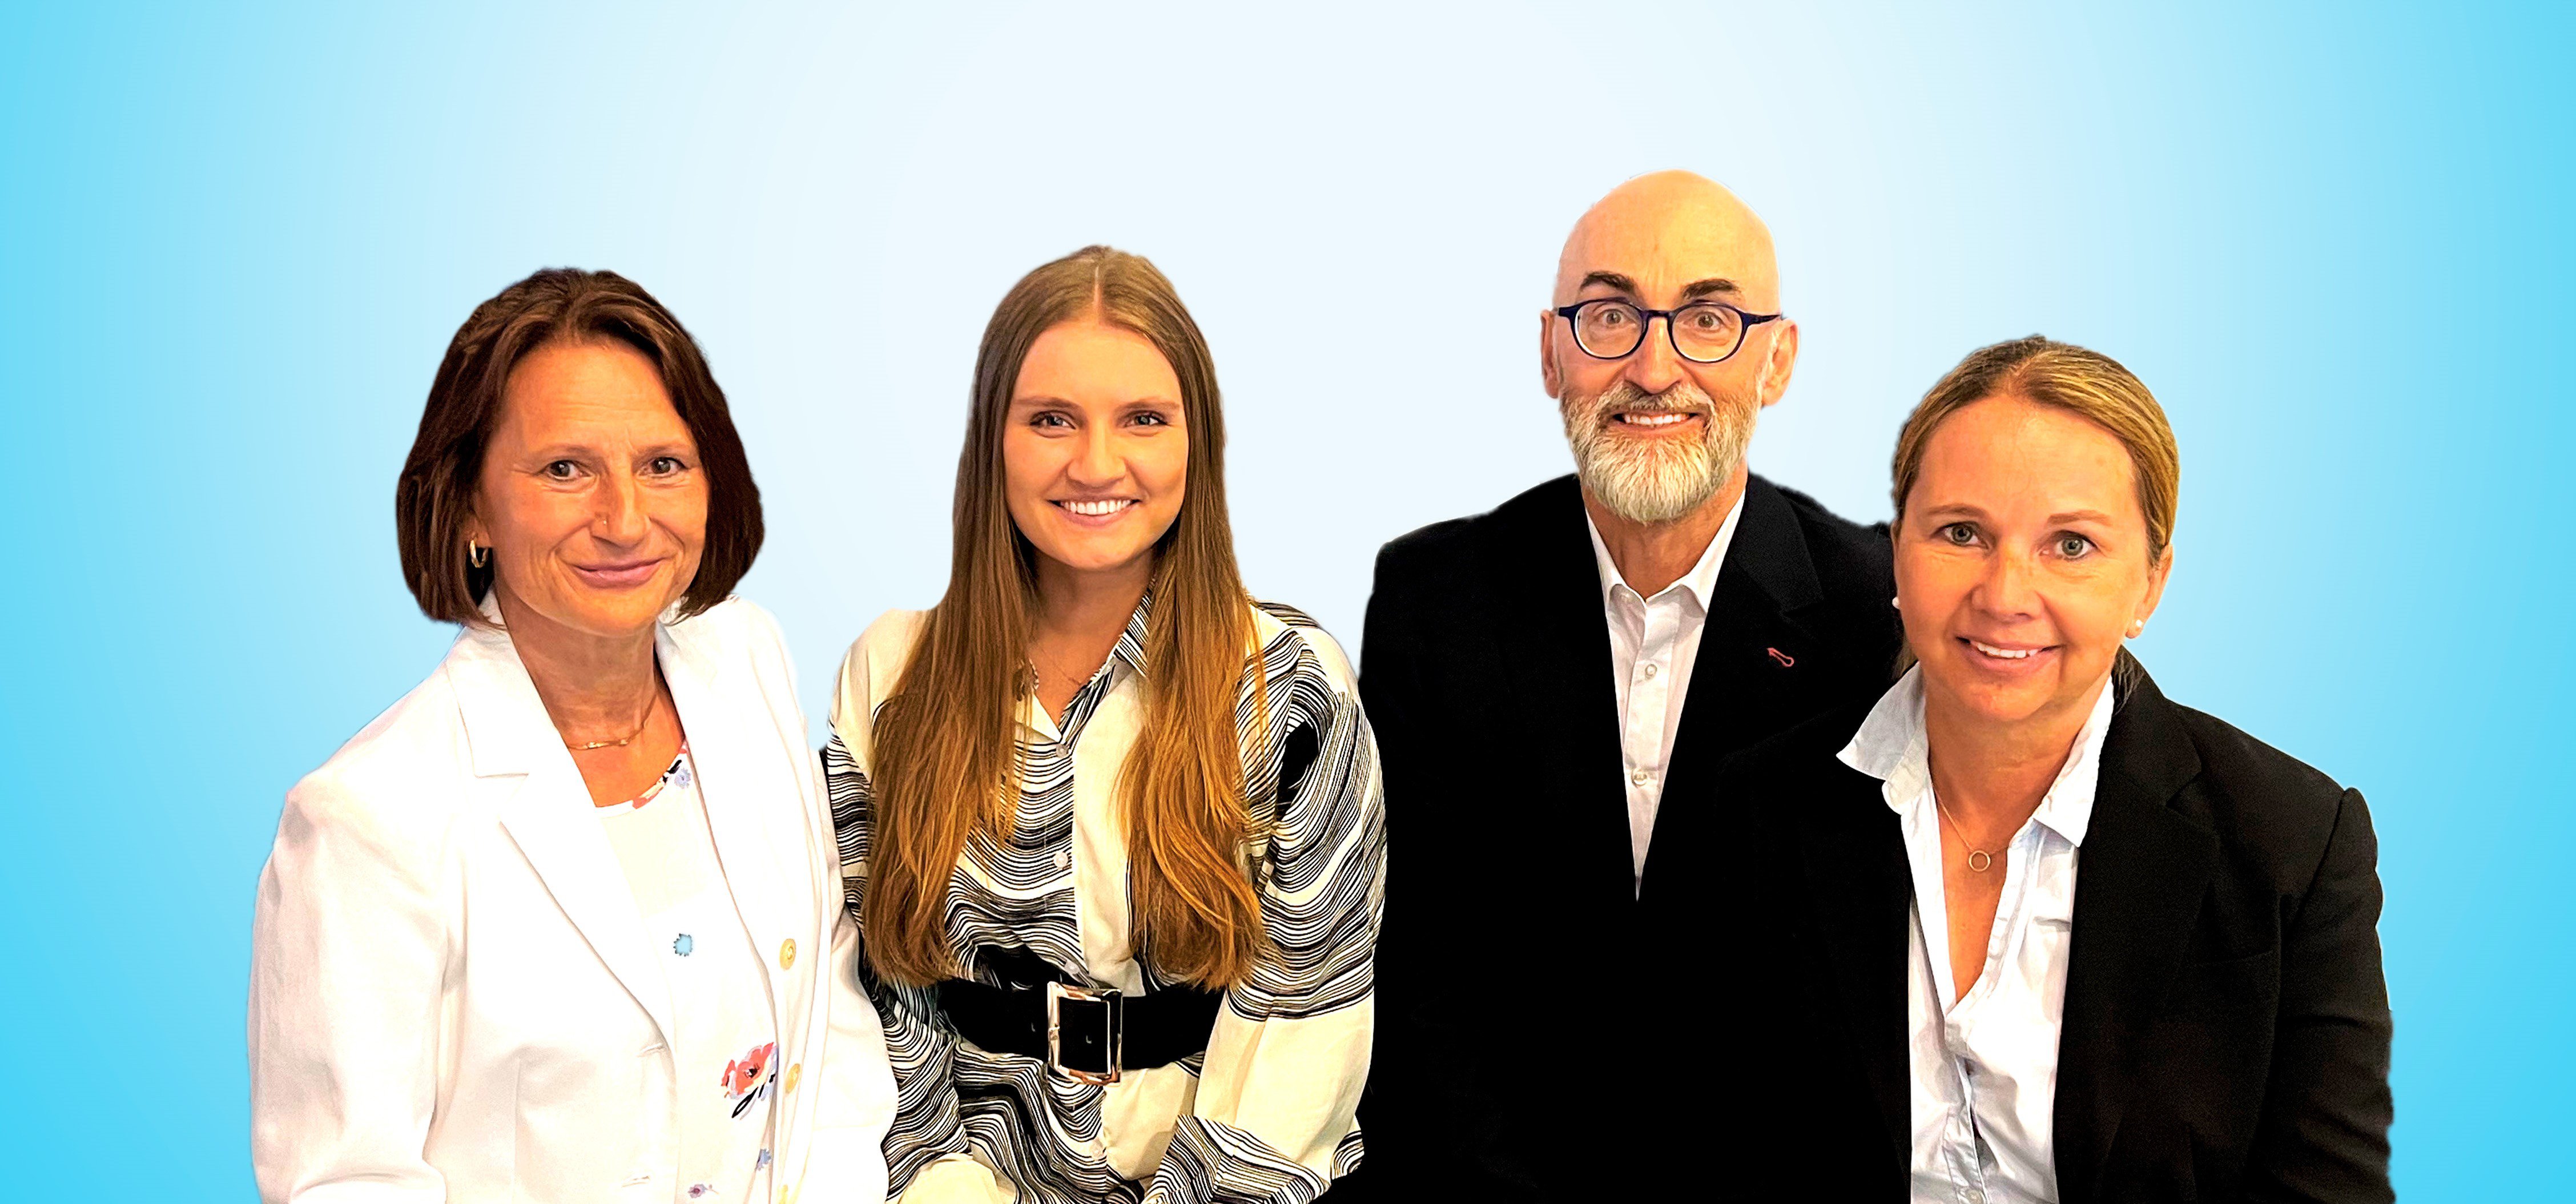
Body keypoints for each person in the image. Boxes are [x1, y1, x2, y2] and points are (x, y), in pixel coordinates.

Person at [1647, 336, 2394, 1200]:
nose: (2004, 594)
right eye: (1962, 532)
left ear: (2150, 584)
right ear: (1898, 552)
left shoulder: (2292, 844)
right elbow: (1698, 1153)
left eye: (2071, 545)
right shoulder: (1756, 804)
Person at [248, 269, 896, 1203]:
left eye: (663, 464)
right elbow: (347, 1184)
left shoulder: (746, 661)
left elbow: (828, 1005)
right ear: (472, 506)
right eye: (565, 469)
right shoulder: (367, 821)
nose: (625, 519)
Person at [1346, 171, 1903, 1199]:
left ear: (1778, 361)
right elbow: (1417, 966)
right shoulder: (1435, 599)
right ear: (1551, 355)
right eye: (1610, 317)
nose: (1653, 368)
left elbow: (1864, 1003)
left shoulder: (1878, 616)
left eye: (1708, 319)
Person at [824, 245, 1386, 1203]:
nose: (1094, 462)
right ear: (992, 439)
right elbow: (877, 980)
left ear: (1196, 442)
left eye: (1143, 419)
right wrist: (939, 1179)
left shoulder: (1290, 689)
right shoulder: (892, 672)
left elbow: (1307, 1015)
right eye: (1051, 419)